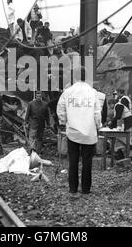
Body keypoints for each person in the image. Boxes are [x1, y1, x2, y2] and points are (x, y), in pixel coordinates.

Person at [57, 66, 102, 195]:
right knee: (87, 161)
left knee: (73, 161)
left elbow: (60, 109)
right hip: (89, 132)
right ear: (86, 77)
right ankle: (86, 189)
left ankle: (73, 188)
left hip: (73, 132)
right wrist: (98, 126)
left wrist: (63, 122)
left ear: (74, 77)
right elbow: (97, 112)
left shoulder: (68, 92)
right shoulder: (93, 92)